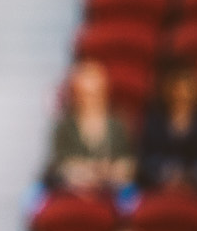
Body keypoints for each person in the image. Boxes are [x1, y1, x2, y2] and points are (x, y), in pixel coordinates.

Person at [47, 61, 135, 193]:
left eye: (95, 95)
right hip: (74, 191)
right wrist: (84, 172)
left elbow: (128, 163)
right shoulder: (64, 127)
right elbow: (61, 165)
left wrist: (111, 171)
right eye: (85, 95)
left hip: (112, 190)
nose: (90, 101)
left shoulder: (117, 126)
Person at [138, 62, 197, 189]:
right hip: (160, 186)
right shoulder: (155, 121)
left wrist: (191, 176)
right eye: (177, 89)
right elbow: (147, 160)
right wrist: (167, 174)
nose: (181, 94)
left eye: (186, 89)